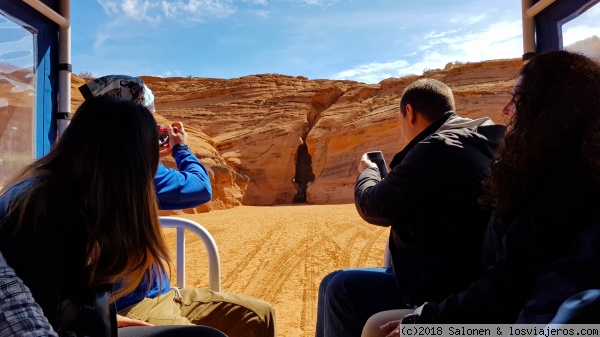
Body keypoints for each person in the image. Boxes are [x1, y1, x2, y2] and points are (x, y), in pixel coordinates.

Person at [363, 50, 600, 336]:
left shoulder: (550, 190)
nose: (505, 111)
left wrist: (424, 320)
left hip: (510, 320)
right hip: (513, 308)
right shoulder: (572, 175)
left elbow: (504, 290)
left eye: (518, 100)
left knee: (370, 320)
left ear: (550, 113)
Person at [0, 96, 227, 337]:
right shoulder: (45, 211)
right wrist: (180, 148)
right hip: (122, 306)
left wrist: (100, 317)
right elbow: (50, 310)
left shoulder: (62, 190)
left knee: (257, 314)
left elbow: (57, 298)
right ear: (128, 154)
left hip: (101, 310)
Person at [80, 75, 276, 337]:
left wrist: (147, 154)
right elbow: (199, 188)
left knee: (259, 314)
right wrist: (181, 149)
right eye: (148, 120)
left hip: (158, 294)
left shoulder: (103, 164)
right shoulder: (136, 172)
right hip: (130, 304)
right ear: (132, 127)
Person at [315, 78, 505, 337]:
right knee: (332, 282)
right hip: (463, 277)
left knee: (341, 288)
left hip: (444, 290)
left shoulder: (438, 147)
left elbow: (373, 205)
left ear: (410, 112)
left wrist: (368, 173)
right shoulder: (478, 141)